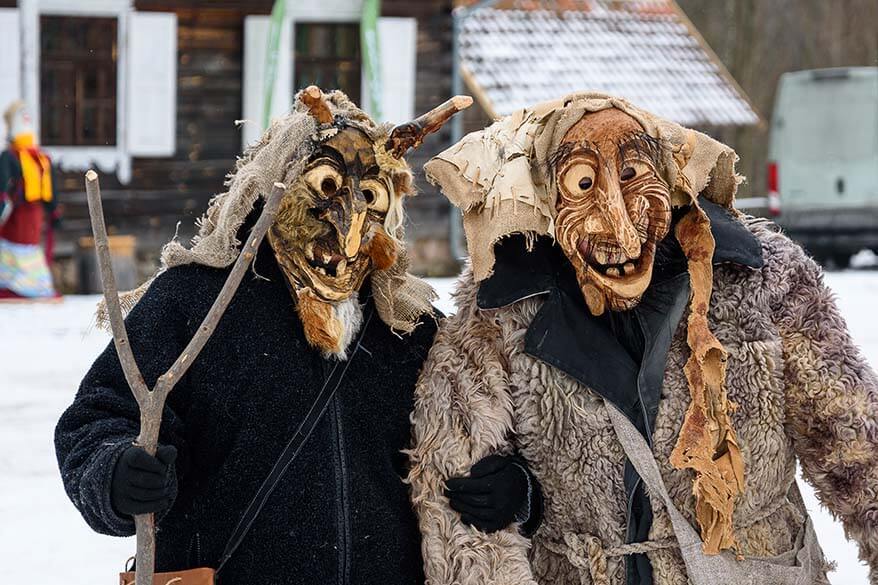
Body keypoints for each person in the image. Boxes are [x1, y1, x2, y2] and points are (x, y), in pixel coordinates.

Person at [54, 88, 538, 584]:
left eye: (369, 197)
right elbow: (99, 416)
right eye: (327, 187)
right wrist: (113, 475)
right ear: (278, 186)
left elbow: (507, 435)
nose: (349, 225)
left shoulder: (411, 328)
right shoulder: (197, 303)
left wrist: (518, 490)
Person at [408, 92, 878, 585]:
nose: (618, 221)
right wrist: (522, 496)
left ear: (671, 179)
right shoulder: (498, 314)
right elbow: (456, 503)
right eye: (582, 183)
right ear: (547, 199)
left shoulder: (763, 278)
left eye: (632, 175)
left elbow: (855, 445)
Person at [0, 100, 58, 299]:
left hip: (34, 215)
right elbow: (3, 186)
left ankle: (32, 287)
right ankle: (12, 286)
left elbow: (50, 187)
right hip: (15, 216)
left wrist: (54, 210)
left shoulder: (42, 158)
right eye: (20, 115)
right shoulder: (8, 156)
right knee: (13, 251)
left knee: (31, 248)